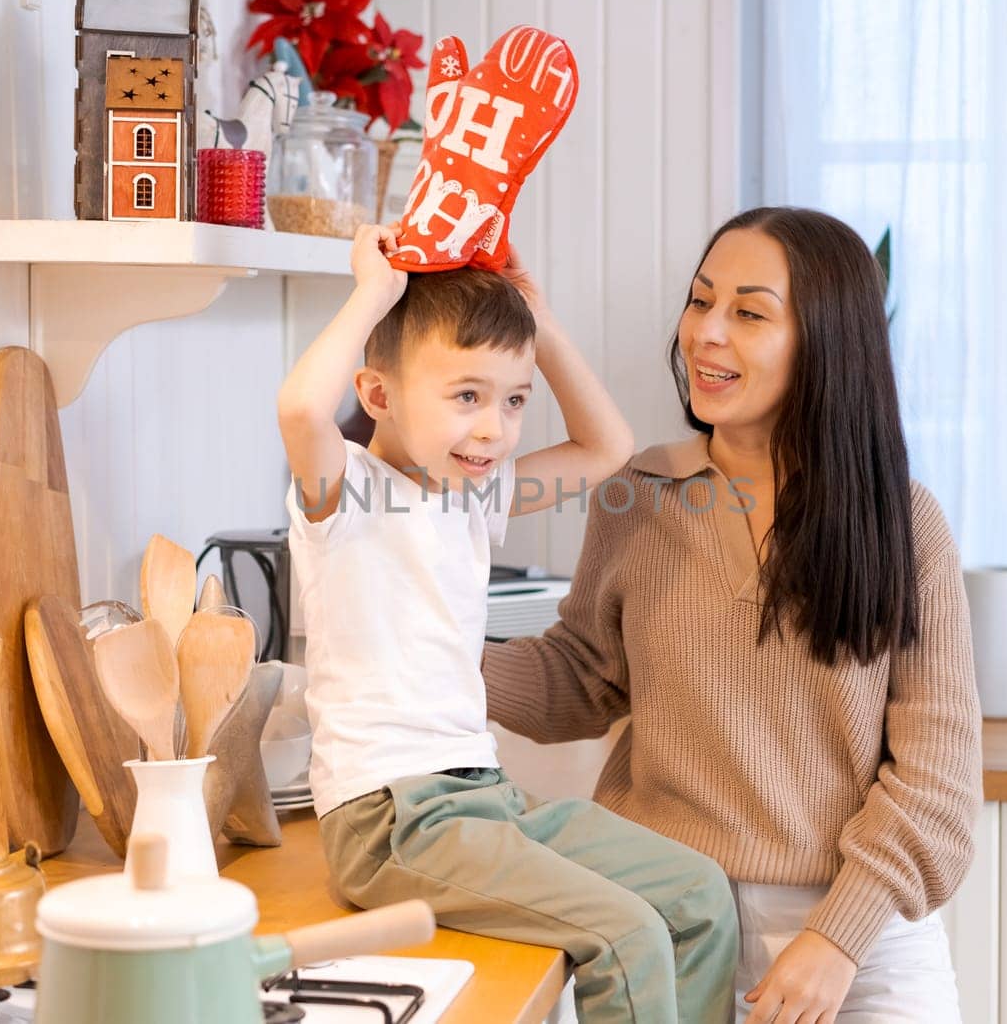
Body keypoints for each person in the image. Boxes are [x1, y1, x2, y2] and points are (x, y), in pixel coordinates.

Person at [483, 206, 983, 1023]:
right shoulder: (637, 491)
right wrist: (422, 652)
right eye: (700, 299)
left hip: (858, 939)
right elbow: (582, 676)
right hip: (660, 912)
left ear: (826, 341)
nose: (706, 333)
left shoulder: (903, 521)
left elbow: (937, 781)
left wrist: (836, 938)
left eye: (749, 312)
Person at [276, 224, 741, 1024]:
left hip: (483, 796)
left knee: (700, 896)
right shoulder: (346, 491)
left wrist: (542, 323)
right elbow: (300, 405)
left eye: (513, 400)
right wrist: (372, 295)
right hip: (391, 817)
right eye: (467, 396)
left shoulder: (470, 494)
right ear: (379, 394)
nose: (496, 428)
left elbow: (608, 446)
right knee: (627, 935)